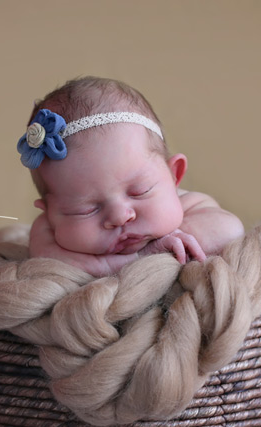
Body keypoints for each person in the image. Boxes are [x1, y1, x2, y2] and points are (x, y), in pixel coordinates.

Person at [18, 77, 244, 277]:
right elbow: (47, 263)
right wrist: (133, 260)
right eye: (85, 210)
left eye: (140, 191)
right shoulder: (46, 232)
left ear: (174, 175)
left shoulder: (190, 205)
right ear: (49, 213)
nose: (119, 216)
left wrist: (175, 239)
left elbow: (229, 229)